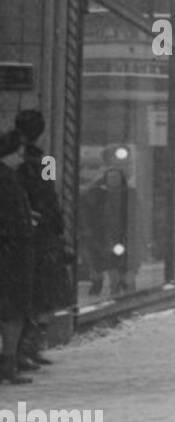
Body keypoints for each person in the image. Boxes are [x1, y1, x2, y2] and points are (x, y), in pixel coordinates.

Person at [15, 110, 69, 368]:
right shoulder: (46, 161)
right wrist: (57, 224)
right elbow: (49, 194)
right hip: (41, 233)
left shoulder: (14, 160)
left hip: (22, 230)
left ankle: (23, 347)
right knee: (43, 292)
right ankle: (30, 345)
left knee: (28, 292)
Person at [0, 129, 35, 384]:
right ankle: (14, 358)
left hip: (13, 246)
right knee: (15, 308)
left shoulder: (33, 165)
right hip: (14, 248)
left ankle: (16, 357)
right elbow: (49, 191)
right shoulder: (46, 160)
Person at [80, 166, 138, 296]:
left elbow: (135, 215)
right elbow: (86, 204)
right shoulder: (98, 194)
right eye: (111, 177)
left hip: (123, 234)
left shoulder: (129, 194)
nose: (113, 180)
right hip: (105, 235)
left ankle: (123, 285)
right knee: (109, 261)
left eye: (116, 177)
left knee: (122, 262)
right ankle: (112, 286)